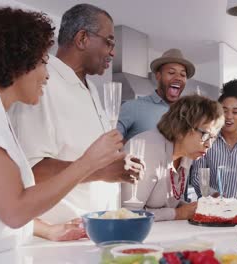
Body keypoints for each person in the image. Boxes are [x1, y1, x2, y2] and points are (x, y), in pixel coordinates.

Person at [0, 7, 125, 261]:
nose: (47, 74)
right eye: (42, 62)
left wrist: (48, 230)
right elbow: (15, 210)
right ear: (17, 62)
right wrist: (89, 163)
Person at [9, 4, 141, 226]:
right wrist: (102, 171)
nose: (113, 52)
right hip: (58, 237)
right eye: (109, 42)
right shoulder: (41, 83)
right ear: (82, 39)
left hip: (96, 229)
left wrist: (117, 164)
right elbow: (32, 170)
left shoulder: (92, 89)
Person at [121, 95, 224, 221]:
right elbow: (128, 215)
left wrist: (196, 209)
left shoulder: (186, 155)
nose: (209, 144)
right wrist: (178, 214)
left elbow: (170, 203)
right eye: (205, 135)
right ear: (182, 127)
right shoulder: (147, 149)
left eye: (213, 138)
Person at [190, 79, 237, 199]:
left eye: (235, 112)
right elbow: (198, 177)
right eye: (224, 111)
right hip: (212, 209)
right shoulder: (206, 141)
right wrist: (214, 196)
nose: (229, 117)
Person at [117, 48, 195, 141]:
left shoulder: (187, 114)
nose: (178, 78)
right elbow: (111, 142)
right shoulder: (132, 107)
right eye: (171, 72)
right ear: (158, 76)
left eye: (182, 75)